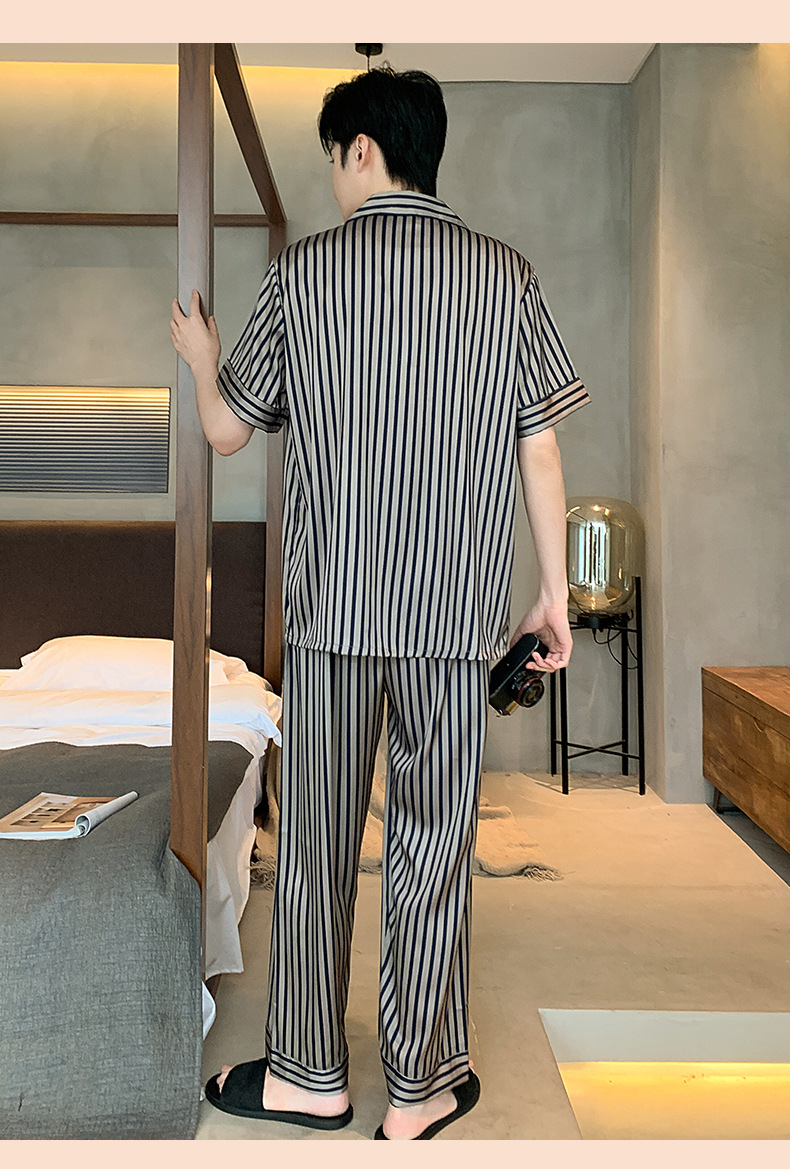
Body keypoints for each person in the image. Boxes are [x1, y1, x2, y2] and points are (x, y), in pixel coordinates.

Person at [170, 66, 590, 1141]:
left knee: (316, 842)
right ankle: (419, 1087)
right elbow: (539, 447)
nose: (334, 174)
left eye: (335, 156)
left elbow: (227, 432)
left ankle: (308, 1073)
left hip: (330, 618)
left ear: (362, 149)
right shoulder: (504, 275)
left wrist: (204, 360)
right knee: (432, 844)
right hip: (452, 620)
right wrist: (551, 595)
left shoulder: (301, 274)